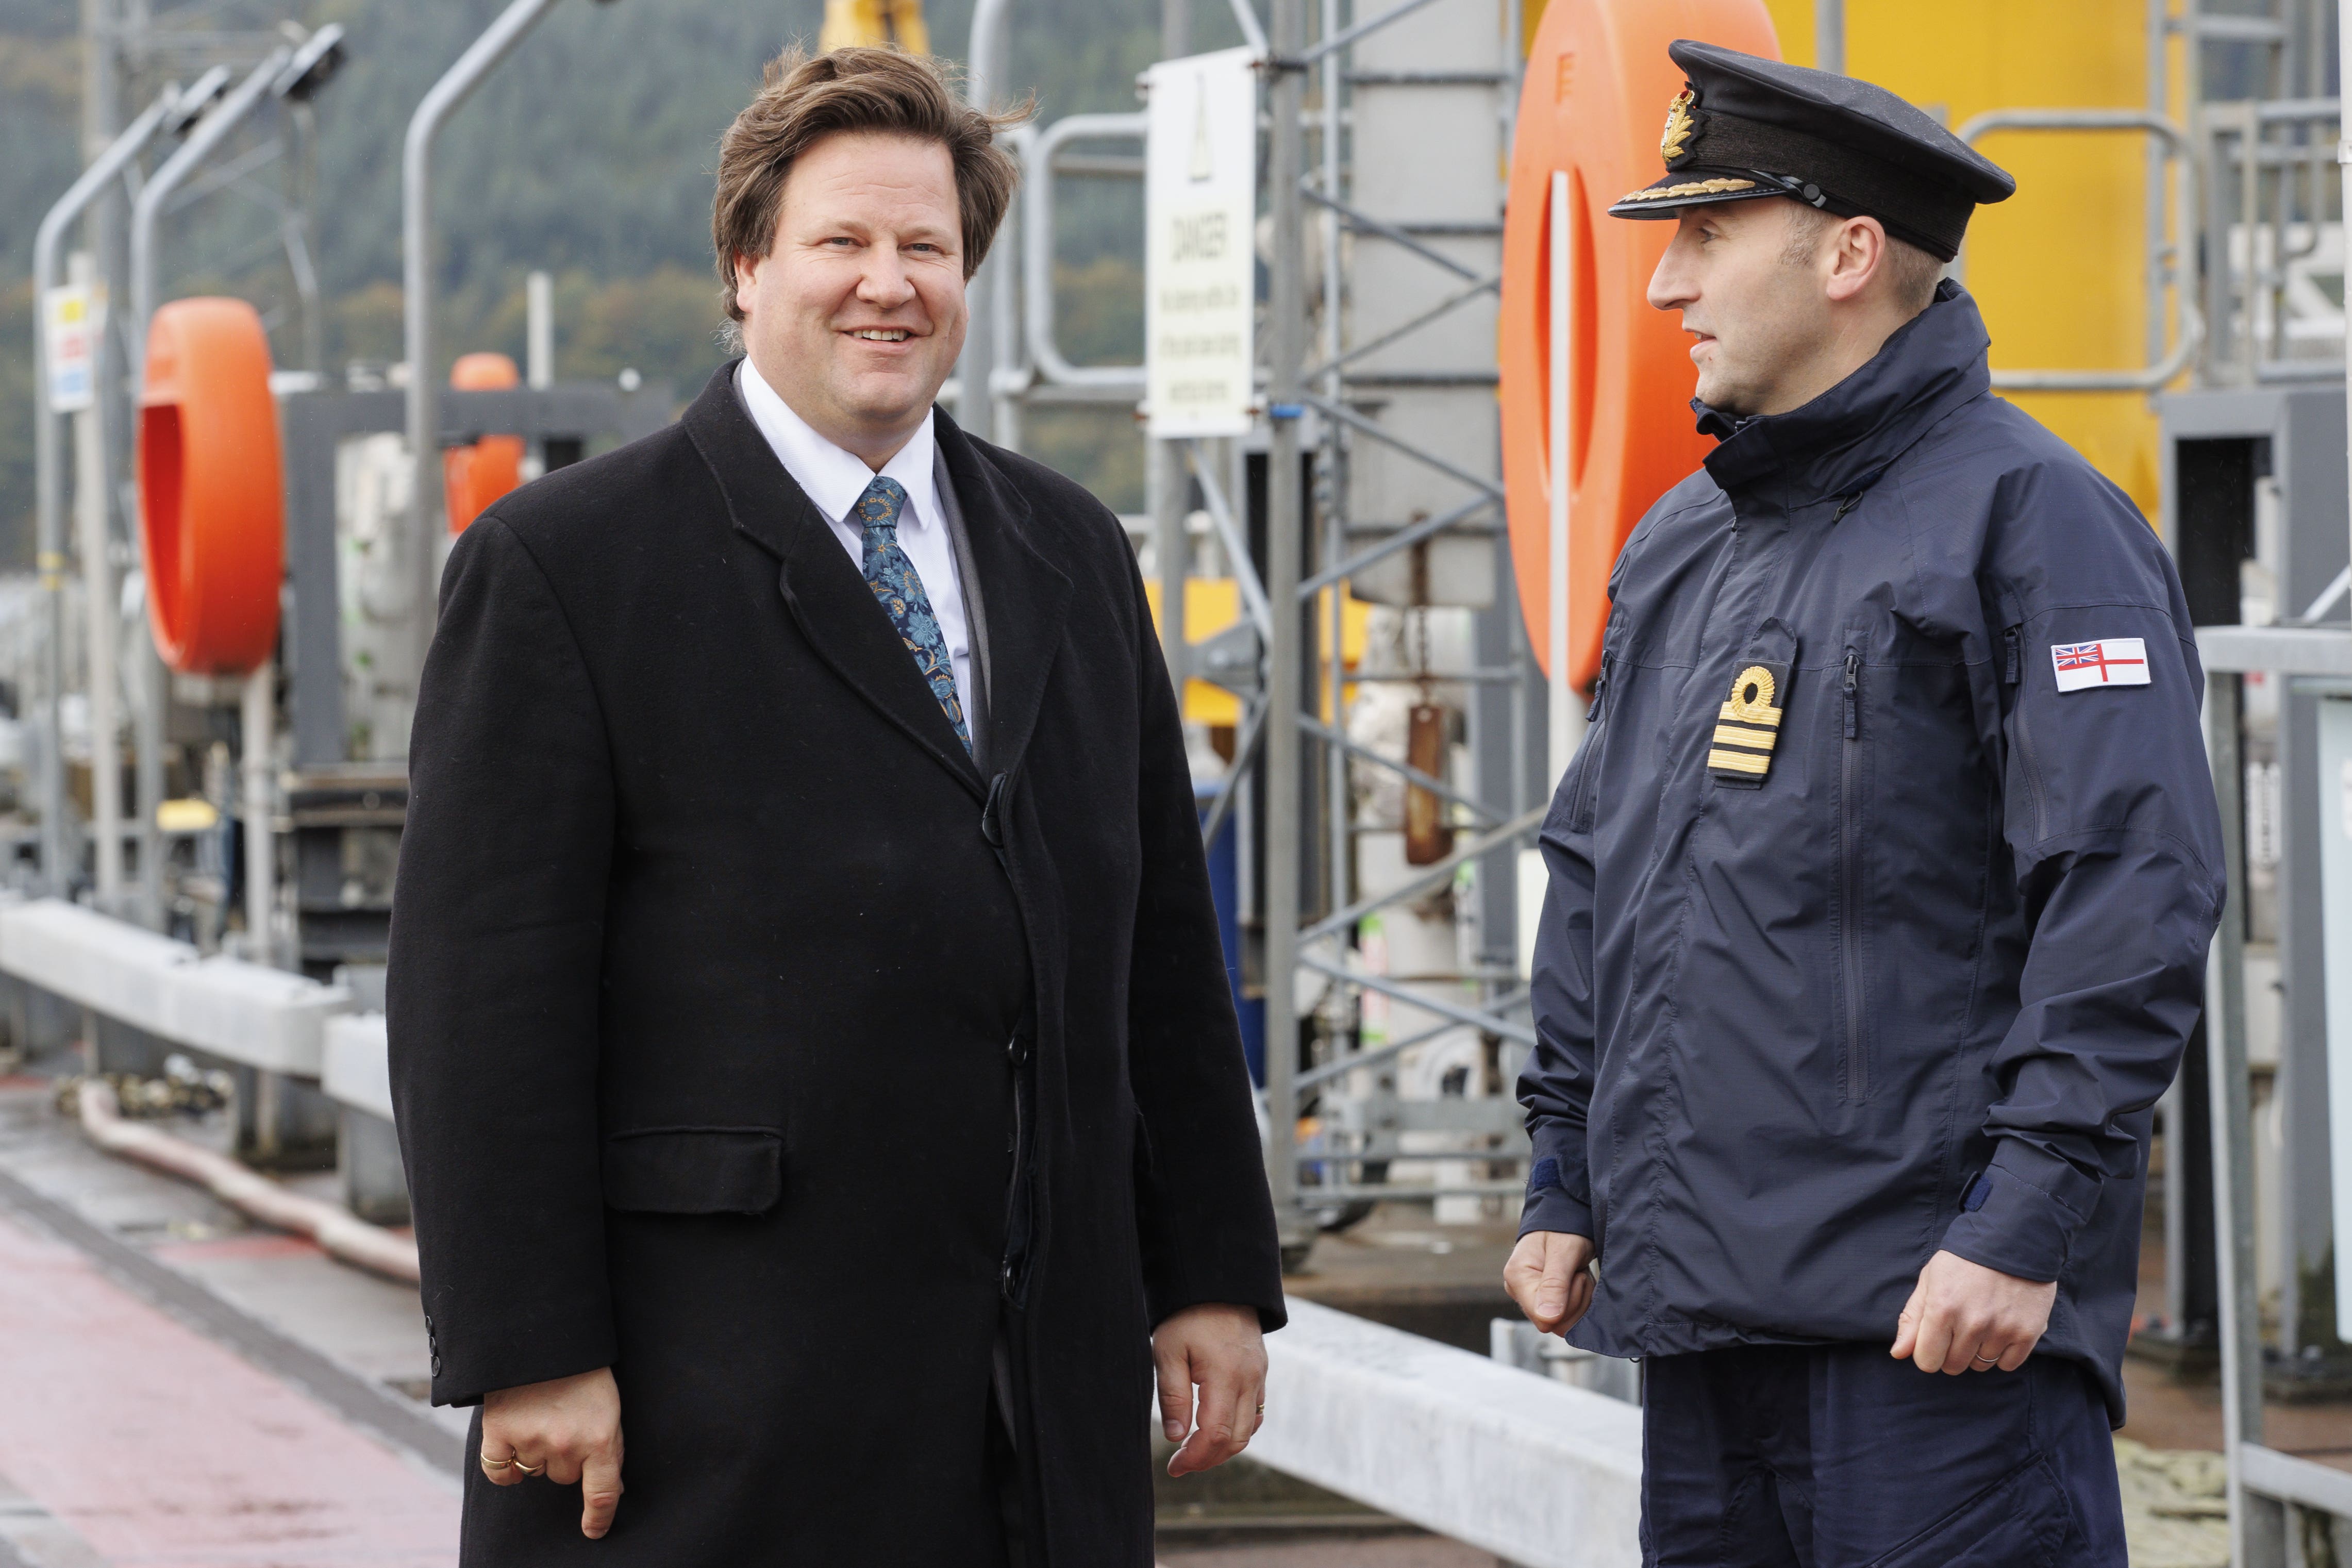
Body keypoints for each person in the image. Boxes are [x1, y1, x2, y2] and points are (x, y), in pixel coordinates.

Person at [388, 46, 1283, 1567]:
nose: (889, 285)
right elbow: (483, 991)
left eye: (926, 248)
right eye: (841, 244)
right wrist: (529, 1344)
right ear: (746, 268)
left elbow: (1154, 952)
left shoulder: (1068, 549)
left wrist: (1205, 1265)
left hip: (1033, 1412)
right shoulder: (569, 566)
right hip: (717, 1401)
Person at [1500, 40, 2223, 1566]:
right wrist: (1561, 1173)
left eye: (1705, 236)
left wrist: (2017, 1224)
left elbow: (2130, 887)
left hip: (1938, 1333)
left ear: (1845, 252)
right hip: (1702, 1324)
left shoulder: (2036, 522)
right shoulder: (1683, 541)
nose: (1661, 287)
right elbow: (1594, 875)